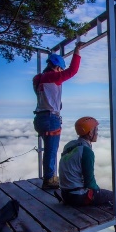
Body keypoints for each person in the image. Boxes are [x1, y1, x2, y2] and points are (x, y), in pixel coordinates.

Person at [59, 117, 116, 232]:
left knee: (105, 196)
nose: (97, 132)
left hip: (65, 193)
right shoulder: (87, 151)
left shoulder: (70, 145)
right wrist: (97, 193)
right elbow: (89, 182)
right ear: (89, 133)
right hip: (77, 196)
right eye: (96, 130)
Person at [33, 42, 83, 190]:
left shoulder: (38, 79)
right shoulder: (54, 77)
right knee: (51, 150)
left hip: (40, 118)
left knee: (49, 149)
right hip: (50, 118)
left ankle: (50, 176)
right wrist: (77, 50)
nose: (61, 71)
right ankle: (49, 179)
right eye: (60, 68)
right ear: (57, 67)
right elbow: (73, 70)